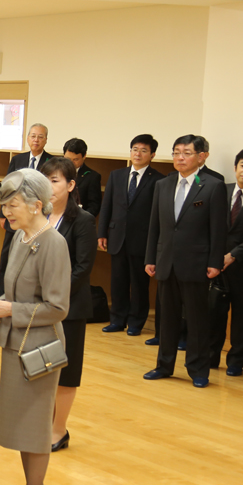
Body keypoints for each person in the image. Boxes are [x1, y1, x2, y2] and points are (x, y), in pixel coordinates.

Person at [0, 170, 70, 485]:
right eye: (4, 206)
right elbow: (20, 290)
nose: (6, 213)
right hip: (17, 343)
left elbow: (58, 307)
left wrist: (9, 309)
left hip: (39, 350)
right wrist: (2, 302)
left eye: (13, 205)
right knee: (22, 426)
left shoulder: (53, 243)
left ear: (36, 205)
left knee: (34, 428)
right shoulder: (21, 237)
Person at [143, 134, 227, 388]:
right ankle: (164, 365)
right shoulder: (163, 184)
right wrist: (150, 257)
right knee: (167, 318)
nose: (180, 157)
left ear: (200, 157)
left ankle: (198, 370)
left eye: (186, 153)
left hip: (197, 263)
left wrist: (215, 262)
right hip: (166, 261)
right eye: (176, 152)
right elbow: (154, 225)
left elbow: (218, 230)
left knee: (197, 320)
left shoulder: (212, 186)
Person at [41, 158, 96, 452]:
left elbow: (83, 267)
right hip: (38, 307)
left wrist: (55, 295)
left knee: (66, 371)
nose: (49, 186)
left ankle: (59, 429)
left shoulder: (82, 220)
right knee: (42, 369)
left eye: (55, 180)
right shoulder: (37, 215)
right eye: (45, 180)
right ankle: (42, 423)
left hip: (69, 307)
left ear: (71, 185)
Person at [98, 134, 165, 336]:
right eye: (135, 149)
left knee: (139, 284)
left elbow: (158, 214)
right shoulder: (117, 175)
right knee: (117, 282)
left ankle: (136, 322)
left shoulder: (159, 180)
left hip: (142, 240)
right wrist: (102, 232)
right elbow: (107, 206)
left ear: (152, 155)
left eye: (144, 150)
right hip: (117, 237)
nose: (138, 154)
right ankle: (117, 320)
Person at [0, 124, 55, 296]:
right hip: (14, 214)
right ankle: (3, 294)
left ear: (46, 140)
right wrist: (3, 214)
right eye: (33, 136)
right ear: (28, 138)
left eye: (40, 137)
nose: (36, 140)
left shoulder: (51, 161)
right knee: (7, 255)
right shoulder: (17, 159)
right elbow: (7, 188)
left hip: (36, 216)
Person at [208, 150, 243, 376]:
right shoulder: (221, 190)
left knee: (242, 317)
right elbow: (207, 224)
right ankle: (210, 357)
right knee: (214, 313)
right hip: (217, 265)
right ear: (235, 168)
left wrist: (233, 255)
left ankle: (236, 361)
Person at [62, 138, 102, 217]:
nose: (71, 163)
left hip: (78, 219)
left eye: (75, 159)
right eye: (68, 159)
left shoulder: (92, 177)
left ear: (84, 156)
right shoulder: (56, 172)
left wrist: (82, 220)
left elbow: (94, 206)